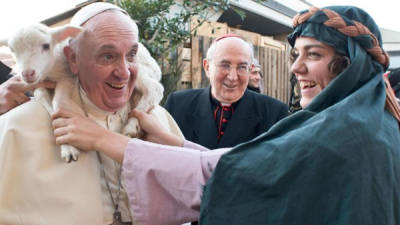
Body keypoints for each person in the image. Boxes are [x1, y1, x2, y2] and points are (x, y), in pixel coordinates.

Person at [52, 5, 400, 225]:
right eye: (296, 54)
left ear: (350, 62)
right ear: (206, 68)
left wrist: (104, 139)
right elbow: (246, 165)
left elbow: (235, 178)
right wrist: (173, 142)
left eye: (314, 54)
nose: (296, 67)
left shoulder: (341, 131)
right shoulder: (367, 119)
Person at [0, 2, 182, 225]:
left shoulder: (158, 121)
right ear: (73, 59)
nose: (124, 73)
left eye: (131, 54)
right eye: (107, 56)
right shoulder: (18, 127)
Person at [164, 34, 289, 149]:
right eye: (225, 65)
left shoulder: (275, 113)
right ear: (207, 67)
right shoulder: (177, 105)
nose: (233, 77)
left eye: (241, 67)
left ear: (250, 70)